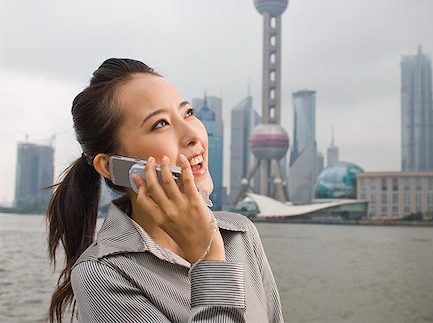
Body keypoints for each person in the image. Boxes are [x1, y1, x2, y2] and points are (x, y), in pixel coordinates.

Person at [47, 58, 284, 323]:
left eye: (188, 113)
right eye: (160, 123)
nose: (192, 134)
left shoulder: (240, 234)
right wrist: (209, 259)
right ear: (111, 165)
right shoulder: (102, 273)